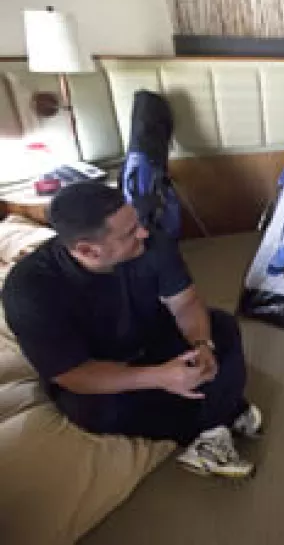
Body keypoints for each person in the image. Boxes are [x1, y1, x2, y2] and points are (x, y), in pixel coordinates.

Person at [2, 183, 261, 478]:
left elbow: (185, 302)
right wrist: (160, 377)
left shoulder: (151, 242)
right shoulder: (28, 289)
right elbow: (73, 375)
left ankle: (212, 418)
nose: (143, 233)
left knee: (222, 326)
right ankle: (218, 417)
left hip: (150, 338)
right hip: (98, 371)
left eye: (137, 223)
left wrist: (201, 344)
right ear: (88, 250)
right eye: (129, 233)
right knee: (95, 410)